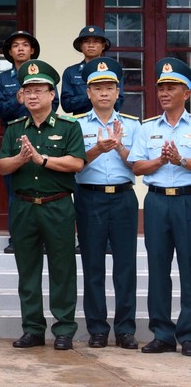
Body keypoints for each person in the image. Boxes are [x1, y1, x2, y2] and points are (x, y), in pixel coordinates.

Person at [0, 60, 85, 351]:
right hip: (24, 207)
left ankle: (63, 330)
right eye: (27, 91)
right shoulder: (14, 129)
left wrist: (42, 160)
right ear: (21, 96)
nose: (32, 95)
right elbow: (1, 167)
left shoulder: (69, 127)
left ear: (52, 94)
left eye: (39, 90)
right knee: (28, 271)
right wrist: (22, 159)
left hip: (57, 206)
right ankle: (33, 329)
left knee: (62, 269)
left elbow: (76, 163)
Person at [74, 57, 140, 349]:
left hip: (124, 198)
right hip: (89, 198)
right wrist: (97, 149)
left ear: (117, 92)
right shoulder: (75, 125)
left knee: (126, 266)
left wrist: (121, 146)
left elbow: (138, 166)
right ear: (88, 93)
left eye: (109, 87)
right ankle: (97, 328)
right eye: (97, 87)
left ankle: (125, 329)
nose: (104, 92)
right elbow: (75, 164)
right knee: (93, 266)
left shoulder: (133, 125)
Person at [128, 58, 191, 357]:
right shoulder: (147, 127)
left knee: (189, 269)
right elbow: (138, 166)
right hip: (155, 201)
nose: (164, 93)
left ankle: (188, 334)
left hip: (188, 200)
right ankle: (162, 334)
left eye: (171, 87)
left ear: (187, 93)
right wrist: (161, 161)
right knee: (157, 269)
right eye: (161, 88)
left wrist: (181, 160)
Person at [0, 31, 57, 253]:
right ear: (10, 52)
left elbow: (54, 106)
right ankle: (16, 237)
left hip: (47, 134)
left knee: (46, 185)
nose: (20, 49)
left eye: (25, 45)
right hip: (15, 135)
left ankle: (47, 237)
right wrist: (16, 101)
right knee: (15, 188)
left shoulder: (45, 75)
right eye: (16, 45)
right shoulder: (1, 80)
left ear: (32, 50)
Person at [61, 25, 124, 115]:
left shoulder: (114, 71)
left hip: (107, 122)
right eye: (86, 42)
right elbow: (66, 105)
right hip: (79, 124)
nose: (91, 45)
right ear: (81, 46)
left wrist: (91, 97)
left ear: (103, 46)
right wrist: (93, 96)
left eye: (96, 42)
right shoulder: (71, 72)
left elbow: (118, 103)